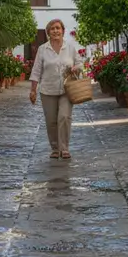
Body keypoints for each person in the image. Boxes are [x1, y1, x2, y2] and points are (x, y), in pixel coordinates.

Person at [28, 19, 82, 160]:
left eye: (58, 28)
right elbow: (36, 70)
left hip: (67, 89)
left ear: (63, 31)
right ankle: (55, 148)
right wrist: (33, 90)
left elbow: (79, 63)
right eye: (52, 29)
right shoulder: (42, 49)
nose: (56, 31)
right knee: (51, 121)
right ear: (48, 32)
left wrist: (76, 67)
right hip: (48, 90)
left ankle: (64, 148)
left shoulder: (70, 48)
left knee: (64, 117)